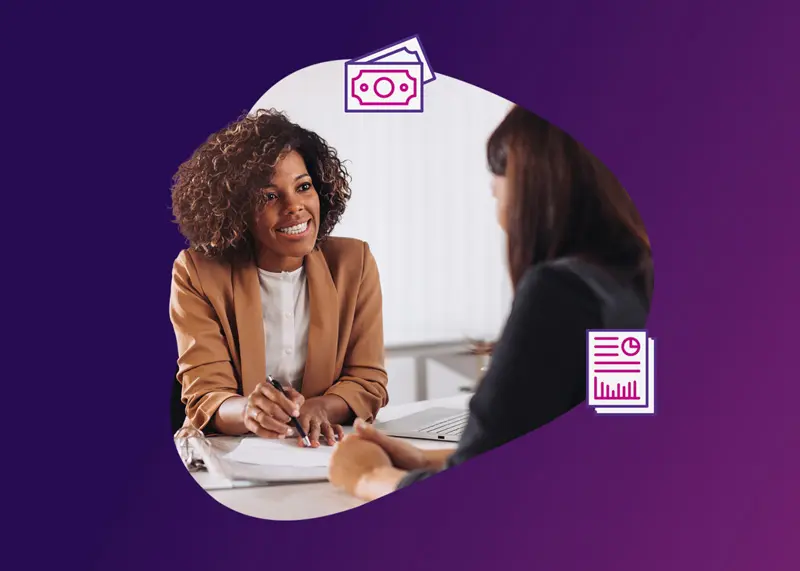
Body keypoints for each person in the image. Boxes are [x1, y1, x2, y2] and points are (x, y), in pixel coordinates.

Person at [328, 105, 653, 498]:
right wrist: (428, 459)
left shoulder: (562, 295)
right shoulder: (636, 279)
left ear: (534, 192)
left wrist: (367, 477)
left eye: (497, 191)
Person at [169, 109, 388, 447]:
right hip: (232, 457)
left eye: (303, 187)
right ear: (236, 209)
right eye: (269, 196)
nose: (295, 206)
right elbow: (206, 394)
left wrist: (320, 408)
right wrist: (248, 411)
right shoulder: (197, 272)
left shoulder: (353, 263)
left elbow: (368, 380)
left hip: (319, 452)